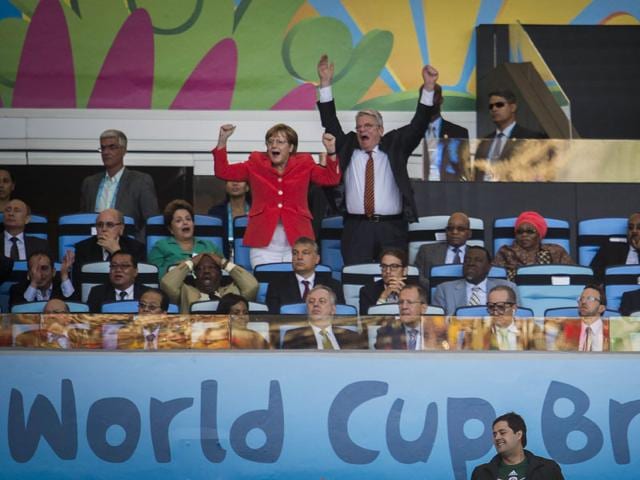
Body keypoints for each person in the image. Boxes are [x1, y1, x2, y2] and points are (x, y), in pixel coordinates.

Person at [316, 54, 440, 265]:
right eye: (359, 127)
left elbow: (419, 124)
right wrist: (325, 83)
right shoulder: (348, 145)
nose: (362, 130)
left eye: (368, 126)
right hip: (356, 229)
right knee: (356, 278)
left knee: (394, 280)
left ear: (380, 130)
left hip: (392, 229)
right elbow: (329, 121)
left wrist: (428, 88)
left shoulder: (396, 145)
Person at [213, 122, 341, 268]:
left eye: (280, 142)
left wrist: (331, 152)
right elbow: (222, 171)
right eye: (270, 142)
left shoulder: (304, 163)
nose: (274, 145)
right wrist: (222, 140)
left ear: (291, 148)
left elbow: (332, 178)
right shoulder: (256, 163)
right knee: (266, 284)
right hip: (263, 242)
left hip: (297, 240)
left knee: (294, 286)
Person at [80, 129, 159, 239]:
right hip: (95, 247)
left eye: (112, 147)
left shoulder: (140, 181)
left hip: (128, 249)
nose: (106, 152)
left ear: (124, 150)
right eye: (103, 148)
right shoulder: (90, 183)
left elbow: (151, 222)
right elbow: (83, 221)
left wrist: (135, 247)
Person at [474, 89, 547, 181]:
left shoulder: (531, 138)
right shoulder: (484, 142)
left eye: (499, 105)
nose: (494, 109)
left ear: (512, 107)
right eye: (491, 106)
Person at [471, 412, 564, 480]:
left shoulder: (549, 469)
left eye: (502, 433)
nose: (497, 437)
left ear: (519, 435)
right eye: (494, 434)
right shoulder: (481, 473)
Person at [265, 236, 344, 313]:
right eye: (295, 253)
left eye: (305, 253)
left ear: (317, 259)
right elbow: (273, 319)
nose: (299, 257)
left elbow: (341, 317)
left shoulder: (333, 286)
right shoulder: (276, 286)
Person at [160, 252, 258, 313]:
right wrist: (191, 262)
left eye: (211, 267)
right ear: (195, 274)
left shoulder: (233, 291)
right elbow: (167, 284)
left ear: (220, 274)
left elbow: (252, 286)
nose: (206, 271)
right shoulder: (185, 292)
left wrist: (223, 263)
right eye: (200, 268)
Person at [432, 246, 519, 315]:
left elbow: (519, 318)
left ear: (489, 266)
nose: (471, 263)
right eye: (467, 260)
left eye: (478, 260)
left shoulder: (508, 287)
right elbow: (438, 324)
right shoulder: (444, 289)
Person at [72, 208, 146, 287]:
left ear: (121, 228)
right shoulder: (83, 248)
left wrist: (116, 252)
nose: (104, 229)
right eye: (100, 225)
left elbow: (139, 281)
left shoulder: (136, 248)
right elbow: (79, 283)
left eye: (110, 225)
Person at [149, 199, 223, 278]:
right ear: (171, 229)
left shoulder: (209, 245)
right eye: (178, 221)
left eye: (188, 219)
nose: (185, 222)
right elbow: (154, 275)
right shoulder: (161, 246)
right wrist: (180, 267)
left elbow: (225, 269)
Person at [493, 211, 573, 282]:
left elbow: (573, 275)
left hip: (550, 292)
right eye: (519, 232)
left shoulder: (556, 251)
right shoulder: (506, 252)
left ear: (539, 234)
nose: (524, 235)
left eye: (530, 232)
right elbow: (494, 279)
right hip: (515, 293)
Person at [281, 285, 364, 349]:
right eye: (311, 302)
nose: (316, 304)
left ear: (333, 309)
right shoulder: (293, 336)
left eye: (322, 301)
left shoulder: (351, 336)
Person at [373, 284, 448, 350]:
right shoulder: (386, 332)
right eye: (401, 302)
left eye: (410, 302)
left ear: (423, 308)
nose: (404, 307)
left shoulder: (438, 332)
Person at [414, 212, 472, 292]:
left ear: (469, 233)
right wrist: (439, 290)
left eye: (460, 229)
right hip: (433, 297)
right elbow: (417, 276)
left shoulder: (478, 255)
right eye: (450, 228)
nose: (454, 232)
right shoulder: (426, 251)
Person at [423, 97, 469, 181]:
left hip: (448, 188)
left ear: (441, 99)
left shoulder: (458, 132)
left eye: (434, 95)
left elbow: (462, 168)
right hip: (420, 188)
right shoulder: (411, 133)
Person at [553, 284, 609, 351]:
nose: (583, 302)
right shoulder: (566, 329)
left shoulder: (613, 330)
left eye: (590, 298)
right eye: (581, 298)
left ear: (601, 308)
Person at [9, 251, 75, 307]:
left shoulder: (64, 288)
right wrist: (34, 283)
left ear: (53, 272)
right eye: (35, 269)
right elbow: (19, 312)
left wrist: (64, 275)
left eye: (44, 268)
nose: (39, 274)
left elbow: (76, 308)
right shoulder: (16, 290)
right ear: (28, 273)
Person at [590, 212, 640, 284]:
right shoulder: (610, 249)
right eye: (630, 228)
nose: (634, 231)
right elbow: (592, 274)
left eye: (639, 227)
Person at [359, 247, 411, 315]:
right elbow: (367, 322)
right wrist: (383, 296)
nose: (388, 271)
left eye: (394, 266)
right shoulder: (367, 291)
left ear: (404, 270)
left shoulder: (417, 290)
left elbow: (420, 319)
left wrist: (405, 295)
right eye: (384, 266)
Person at [209, 180, 251, 258]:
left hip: (251, 255)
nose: (234, 183)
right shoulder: (215, 212)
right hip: (222, 259)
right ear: (226, 186)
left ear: (247, 187)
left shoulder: (256, 210)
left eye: (240, 180)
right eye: (230, 180)